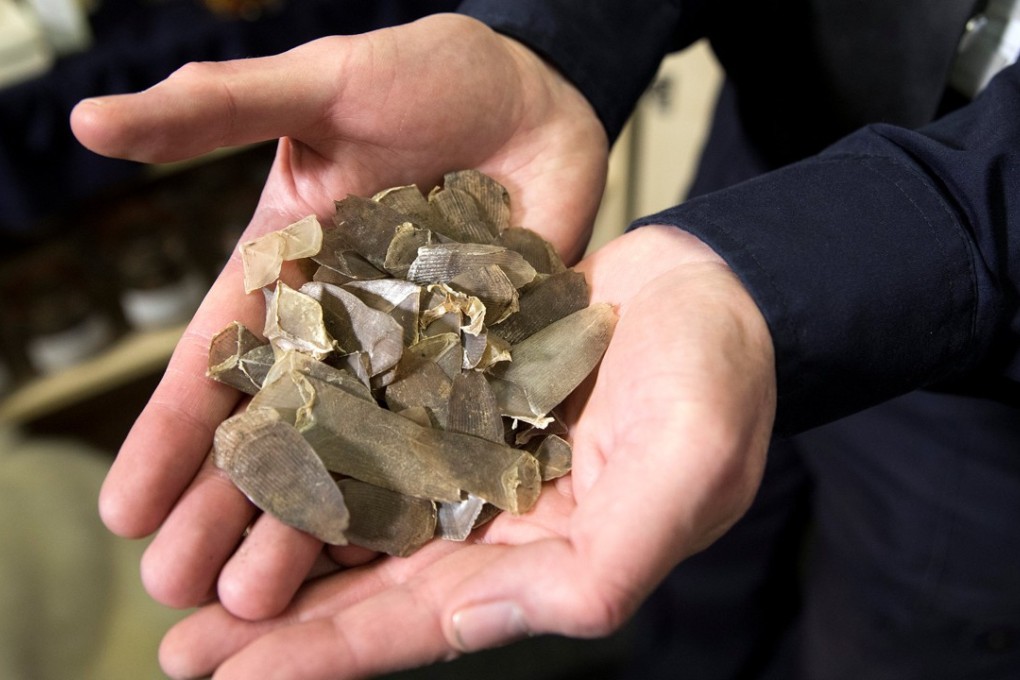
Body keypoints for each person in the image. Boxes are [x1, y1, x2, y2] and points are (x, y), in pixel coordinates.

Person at [68, 3, 1020, 679]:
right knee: (697, 577)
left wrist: (807, 268)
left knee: (902, 625)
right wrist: (541, 39)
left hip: (988, 368)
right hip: (782, 156)